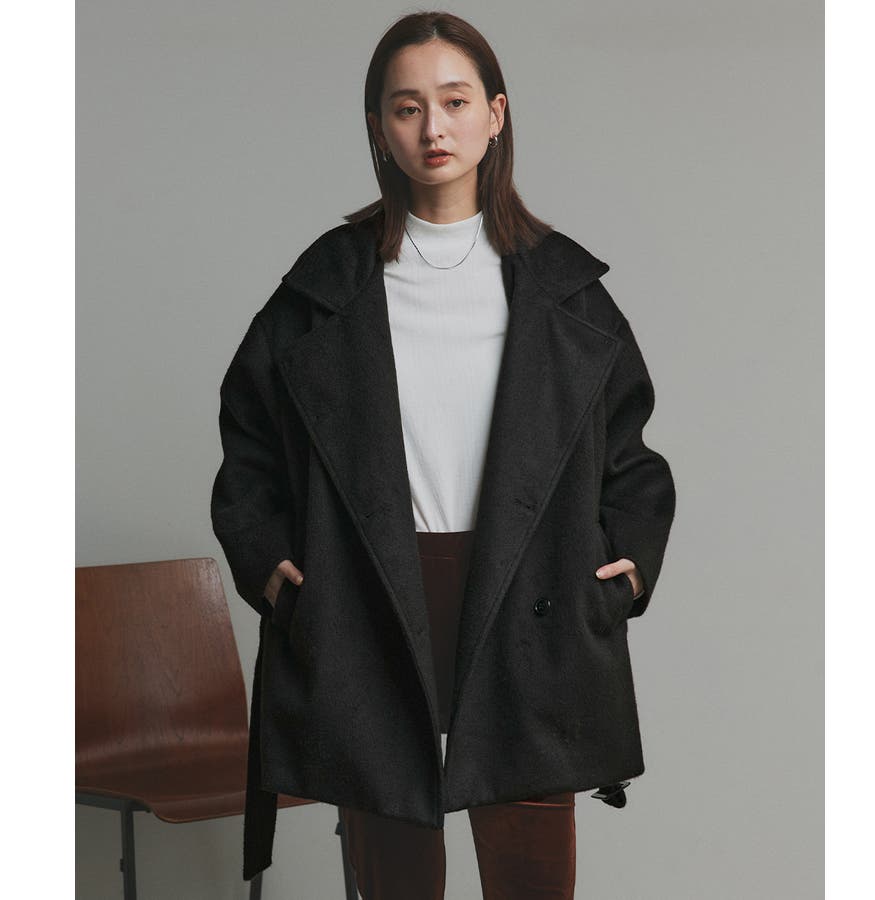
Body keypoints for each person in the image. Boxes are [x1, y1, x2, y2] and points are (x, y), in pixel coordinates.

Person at [211, 10, 676, 898]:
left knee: (531, 869)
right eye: (407, 107)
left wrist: (626, 570)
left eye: (456, 101)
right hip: (368, 594)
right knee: (393, 871)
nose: (434, 127)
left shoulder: (564, 288)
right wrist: (272, 570)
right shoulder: (325, 286)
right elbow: (249, 443)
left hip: (530, 588)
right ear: (378, 127)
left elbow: (630, 451)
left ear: (495, 115)